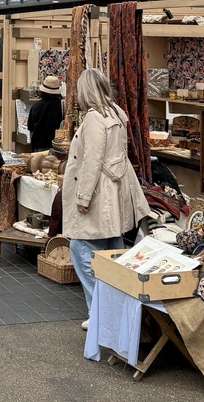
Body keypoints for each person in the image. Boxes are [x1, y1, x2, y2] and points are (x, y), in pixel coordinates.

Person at [63, 69, 151, 328]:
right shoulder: (116, 113)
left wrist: (83, 196)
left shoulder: (95, 118)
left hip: (99, 194)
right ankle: (115, 313)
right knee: (113, 252)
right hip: (114, 191)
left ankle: (100, 314)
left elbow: (92, 161)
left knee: (82, 249)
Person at [26, 75, 64, 152]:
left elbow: (31, 130)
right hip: (58, 148)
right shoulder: (63, 106)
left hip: (40, 149)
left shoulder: (35, 107)